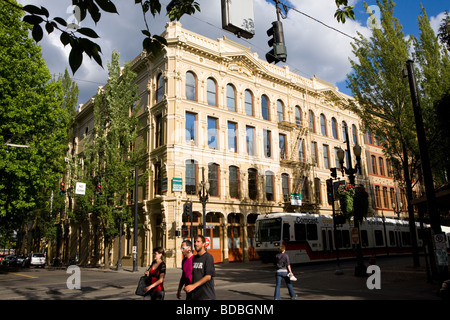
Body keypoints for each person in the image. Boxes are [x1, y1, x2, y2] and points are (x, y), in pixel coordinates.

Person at [184, 235, 216, 300]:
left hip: (206, 295)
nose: (196, 244)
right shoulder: (194, 258)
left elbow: (208, 276)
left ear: (204, 244)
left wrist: (193, 286)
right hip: (194, 295)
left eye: (198, 242)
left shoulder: (208, 257)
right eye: (195, 242)